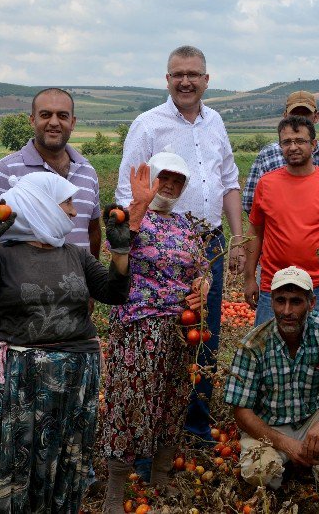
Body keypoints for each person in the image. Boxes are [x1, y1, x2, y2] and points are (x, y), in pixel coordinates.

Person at [0, 172, 131, 513]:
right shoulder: (4, 256)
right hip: (21, 383)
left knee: (63, 459)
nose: (75, 213)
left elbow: (113, 293)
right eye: (67, 203)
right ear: (41, 204)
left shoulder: (75, 255)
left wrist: (120, 253)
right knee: (15, 464)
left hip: (75, 380)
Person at [115, 45, 244, 443]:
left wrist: (237, 239)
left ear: (207, 80)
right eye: (177, 74)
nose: (185, 81)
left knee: (205, 334)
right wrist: (139, 241)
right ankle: (154, 427)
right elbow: (126, 192)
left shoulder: (216, 121)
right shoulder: (148, 125)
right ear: (167, 80)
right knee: (161, 336)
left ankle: (195, 423)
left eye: (193, 74)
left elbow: (229, 181)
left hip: (210, 243)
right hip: (162, 250)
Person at [100, 152, 209, 513]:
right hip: (137, 325)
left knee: (172, 399)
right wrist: (137, 210)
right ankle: (115, 491)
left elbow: (201, 268)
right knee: (128, 404)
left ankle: (160, 478)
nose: (170, 186)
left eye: (179, 181)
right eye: (165, 177)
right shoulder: (128, 216)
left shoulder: (185, 225)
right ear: (151, 178)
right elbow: (117, 255)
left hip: (180, 328)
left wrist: (203, 285)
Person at [225, 266, 319, 499]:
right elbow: (241, 413)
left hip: (310, 422)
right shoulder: (253, 345)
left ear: (311, 303)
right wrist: (287, 444)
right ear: (271, 303)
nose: (287, 310)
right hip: (269, 429)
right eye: (280, 301)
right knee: (258, 472)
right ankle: (291, 467)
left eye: (296, 302)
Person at [244, 115, 319, 324]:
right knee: (269, 350)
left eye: (300, 141)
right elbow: (255, 232)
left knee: (317, 350)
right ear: (280, 146)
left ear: (313, 144)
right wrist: (249, 279)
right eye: (287, 142)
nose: (293, 147)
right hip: (273, 285)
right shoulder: (266, 184)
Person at [0, 88, 101, 257]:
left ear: (72, 122)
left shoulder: (88, 172)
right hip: (20, 282)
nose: (54, 122)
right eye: (45, 115)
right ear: (32, 120)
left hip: (79, 281)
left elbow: (93, 232)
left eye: (62, 116)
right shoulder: (2, 172)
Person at [241, 90, 319, 214]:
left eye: (305, 114)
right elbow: (250, 203)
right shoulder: (268, 155)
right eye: (294, 114)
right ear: (285, 116)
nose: (299, 120)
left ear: (316, 117)